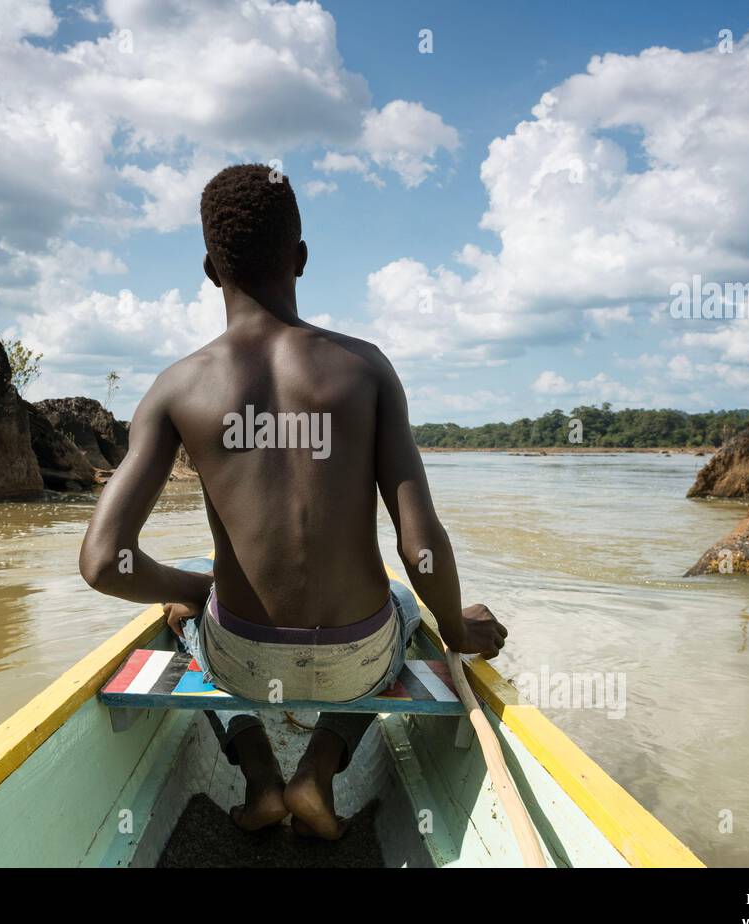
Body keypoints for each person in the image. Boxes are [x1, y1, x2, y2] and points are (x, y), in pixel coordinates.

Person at [79, 164, 507, 840]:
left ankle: (256, 772)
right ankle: (321, 765)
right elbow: (418, 547)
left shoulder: (175, 387)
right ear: (301, 258)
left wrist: (196, 586)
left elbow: (105, 562)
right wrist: (456, 628)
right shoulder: (366, 369)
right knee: (399, 599)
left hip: (245, 656)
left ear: (209, 269)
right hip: (356, 656)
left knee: (184, 616)